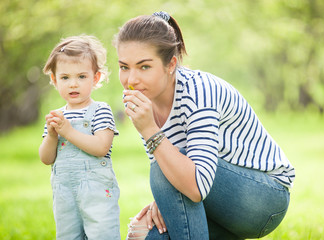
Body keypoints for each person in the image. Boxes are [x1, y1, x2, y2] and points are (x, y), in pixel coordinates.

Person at [115, 11, 295, 240]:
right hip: (211, 191)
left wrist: (150, 129)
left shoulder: (199, 91)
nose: (131, 80)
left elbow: (196, 185)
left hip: (264, 198)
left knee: (161, 167)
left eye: (144, 67)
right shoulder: (141, 100)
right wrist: (161, 204)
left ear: (170, 64)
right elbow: (170, 167)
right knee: (152, 236)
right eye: (124, 67)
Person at [39, 35, 120, 240]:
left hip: (96, 191)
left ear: (96, 78)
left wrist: (68, 132)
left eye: (81, 77)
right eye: (65, 78)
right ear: (55, 80)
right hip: (64, 192)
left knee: (102, 233)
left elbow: (101, 147)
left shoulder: (100, 110)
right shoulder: (56, 117)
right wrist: (51, 135)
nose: (73, 84)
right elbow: (47, 158)